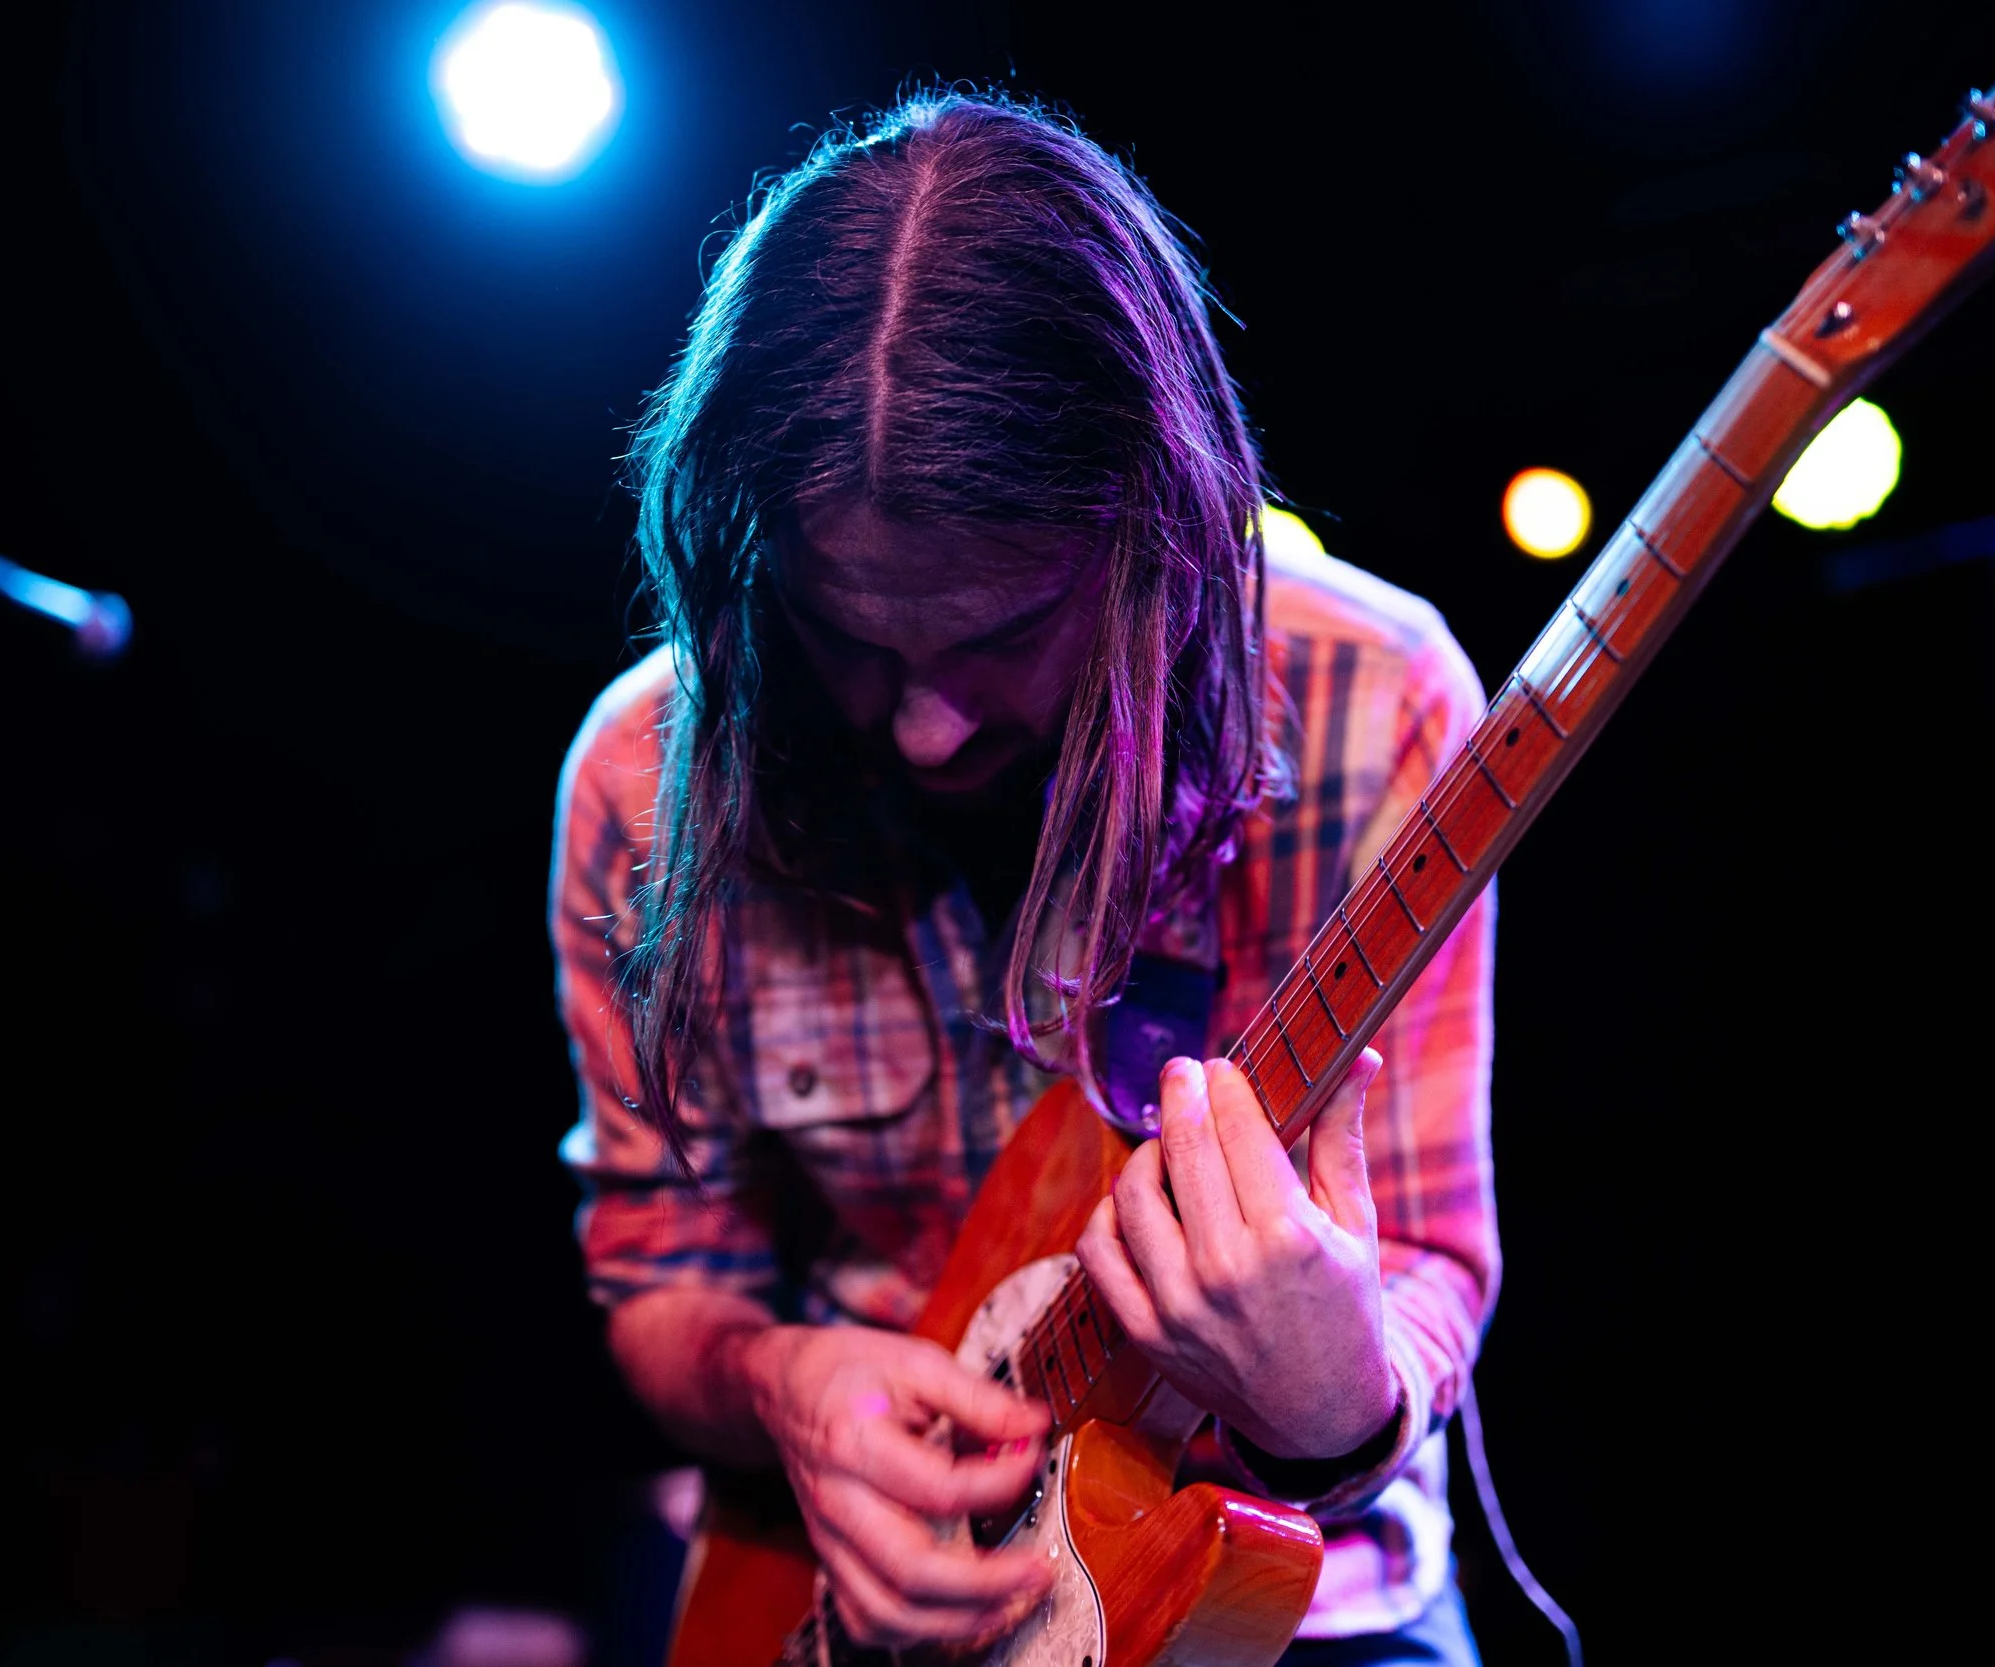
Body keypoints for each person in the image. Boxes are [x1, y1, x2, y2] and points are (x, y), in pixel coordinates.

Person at [552, 93, 1497, 1663]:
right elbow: (661, 1273)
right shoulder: (641, 780)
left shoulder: (1375, 696)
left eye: (1000, 636)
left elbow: (1430, 1260)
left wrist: (1337, 1395)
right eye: (849, 638)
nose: (924, 727)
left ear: (1151, 532)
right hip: (871, 1602)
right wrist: (785, 1384)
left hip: (1286, 1589)